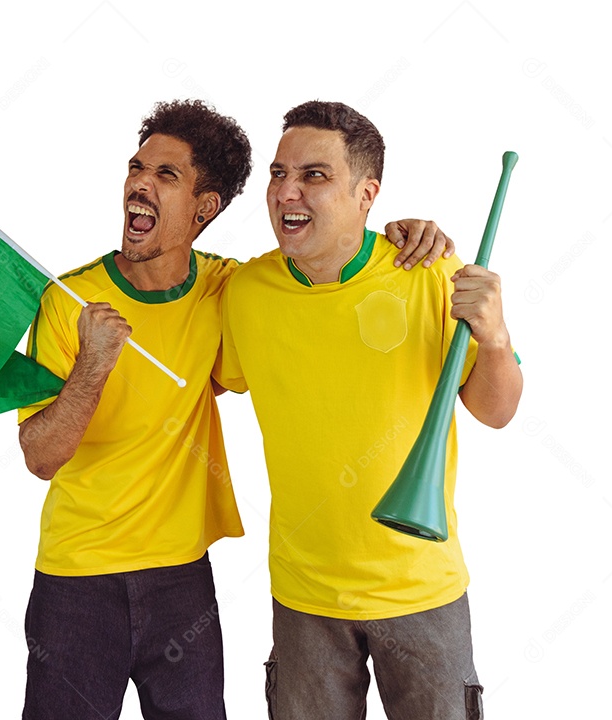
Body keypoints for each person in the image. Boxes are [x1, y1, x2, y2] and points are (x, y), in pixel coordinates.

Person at [16, 99, 456, 720]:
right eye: (137, 168)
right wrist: (93, 366)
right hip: (75, 580)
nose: (140, 183)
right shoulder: (68, 300)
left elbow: (312, 285)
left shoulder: (228, 289)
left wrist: (403, 232)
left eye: (165, 175)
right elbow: (39, 456)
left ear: (205, 208)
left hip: (182, 580)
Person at [216, 100, 523, 719]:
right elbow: (203, 377)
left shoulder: (430, 274)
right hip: (303, 597)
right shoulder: (244, 291)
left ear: (367, 194)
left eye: (314, 175)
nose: (287, 191)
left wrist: (495, 338)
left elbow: (496, 411)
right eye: (279, 173)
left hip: (422, 591)